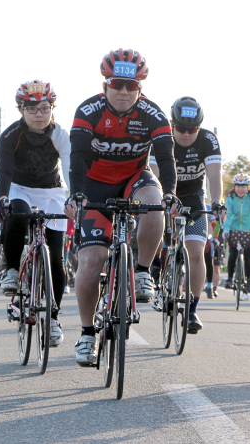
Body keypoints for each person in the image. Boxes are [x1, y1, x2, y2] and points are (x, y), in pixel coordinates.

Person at [66, 48, 177, 366]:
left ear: (140, 88)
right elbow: (77, 159)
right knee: (90, 263)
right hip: (94, 185)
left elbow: (166, 160)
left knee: (155, 204)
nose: (124, 91)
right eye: (117, 84)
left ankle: (142, 271)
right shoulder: (88, 111)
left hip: (134, 179)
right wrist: (77, 194)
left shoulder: (154, 115)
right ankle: (87, 333)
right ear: (105, 86)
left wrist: (170, 192)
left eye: (132, 86)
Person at [0, 80, 70, 346]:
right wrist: (3, 196)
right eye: (32, 109)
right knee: (17, 214)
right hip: (19, 188)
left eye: (45, 108)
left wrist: (74, 197)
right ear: (21, 111)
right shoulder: (10, 135)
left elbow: (70, 168)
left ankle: (53, 318)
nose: (39, 115)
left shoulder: (60, 134)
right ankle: (13, 269)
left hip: (52, 192)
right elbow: (3, 170)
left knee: (56, 257)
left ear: (52, 109)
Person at [149, 97, 222, 332]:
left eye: (192, 129)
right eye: (181, 128)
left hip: (193, 197)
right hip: (164, 192)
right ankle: (155, 268)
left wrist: (217, 202)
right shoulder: (161, 137)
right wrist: (162, 202)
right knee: (155, 229)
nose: (186, 134)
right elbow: (153, 174)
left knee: (196, 252)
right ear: (172, 124)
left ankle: (192, 310)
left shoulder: (208, 140)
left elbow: (214, 176)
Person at [223, 173, 250, 300]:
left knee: (248, 258)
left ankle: (249, 279)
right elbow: (227, 215)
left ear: (248, 187)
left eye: (243, 186)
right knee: (233, 255)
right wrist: (226, 230)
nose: (240, 189)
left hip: (248, 231)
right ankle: (229, 278)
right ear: (234, 186)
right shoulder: (230, 198)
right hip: (234, 230)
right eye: (238, 186)